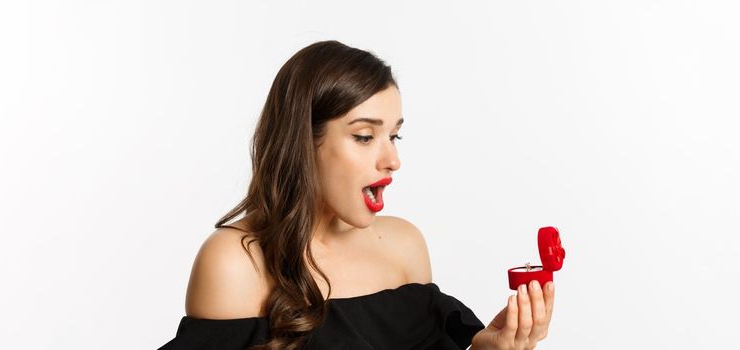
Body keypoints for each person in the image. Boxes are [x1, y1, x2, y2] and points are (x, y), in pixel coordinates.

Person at [158, 40, 555, 350]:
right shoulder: (234, 263)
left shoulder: (404, 245)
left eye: (394, 135)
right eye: (364, 136)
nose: (393, 159)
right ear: (302, 143)